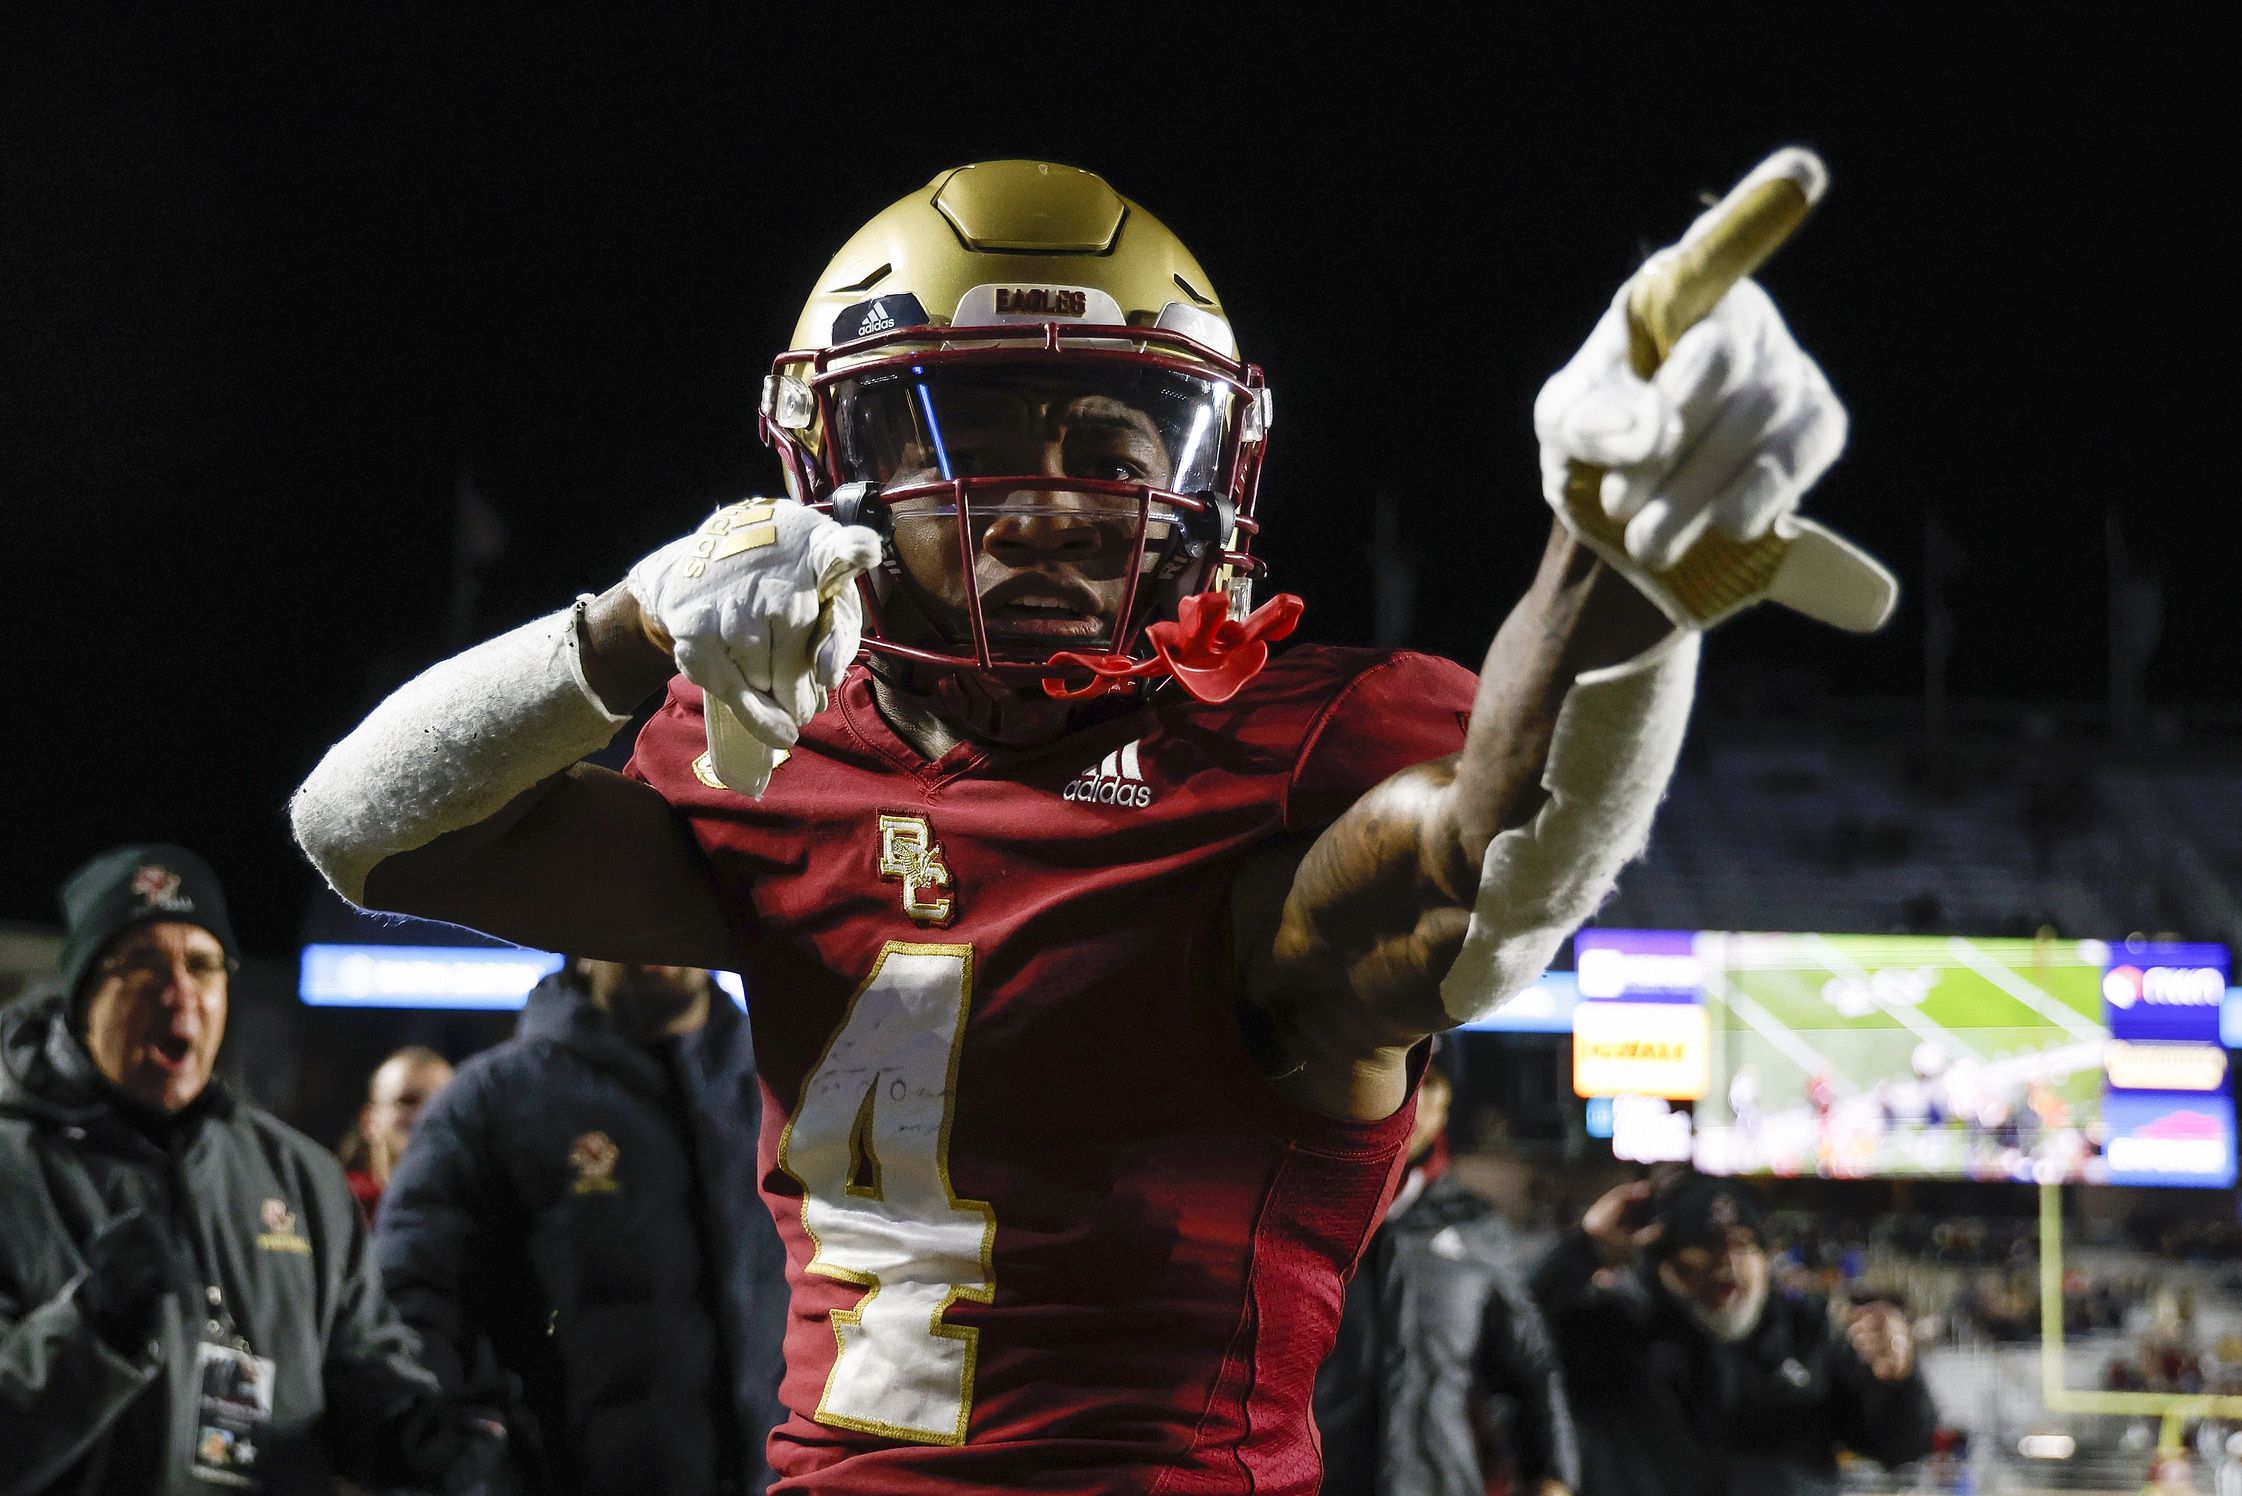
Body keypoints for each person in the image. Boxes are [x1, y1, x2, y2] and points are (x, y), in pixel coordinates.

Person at [291, 155, 1857, 1490]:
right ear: (837, 475)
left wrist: (1613, 579)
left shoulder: (1281, 756)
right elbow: (359, 829)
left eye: (1110, 450)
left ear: (1199, 482)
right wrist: (632, 623)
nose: (1043, 501)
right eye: (970, 441)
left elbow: (1492, 875)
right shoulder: (768, 751)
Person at [0, 844, 500, 1494]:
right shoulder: (12, 1167)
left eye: (202, 966)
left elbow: (362, 1371)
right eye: (143, 964)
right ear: (84, 997)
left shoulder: (299, 1176)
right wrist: (93, 1331)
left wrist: (412, 1434)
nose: (179, 991)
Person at [375, 958, 789, 1496]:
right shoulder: (491, 1102)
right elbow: (412, 1312)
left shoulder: (786, 1087)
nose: (655, 930)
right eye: (631, 902)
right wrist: (477, 1462)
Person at [1531, 1174, 1937, 1496]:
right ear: (1665, 1263)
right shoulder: (1615, 1331)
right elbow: (1514, 1329)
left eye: (1742, 1244)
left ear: (1765, 1257)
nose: (1726, 1261)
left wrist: (1900, 1380)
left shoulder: (1810, 1331)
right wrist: (1587, 1247)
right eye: (1704, 1244)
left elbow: (1900, 1447)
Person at [1315, 1034, 1578, 1496]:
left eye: (1428, 1079)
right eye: (1399, 1072)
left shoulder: (1475, 1225)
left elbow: (1530, 1365)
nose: (1410, 1093)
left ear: (1447, 1100)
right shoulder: (1307, 1208)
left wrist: (1552, 1473)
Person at [338, 1044, 454, 1223]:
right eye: (408, 1101)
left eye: (442, 1102)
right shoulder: (336, 1202)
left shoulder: (479, 1213)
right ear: (370, 1121)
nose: (427, 1114)